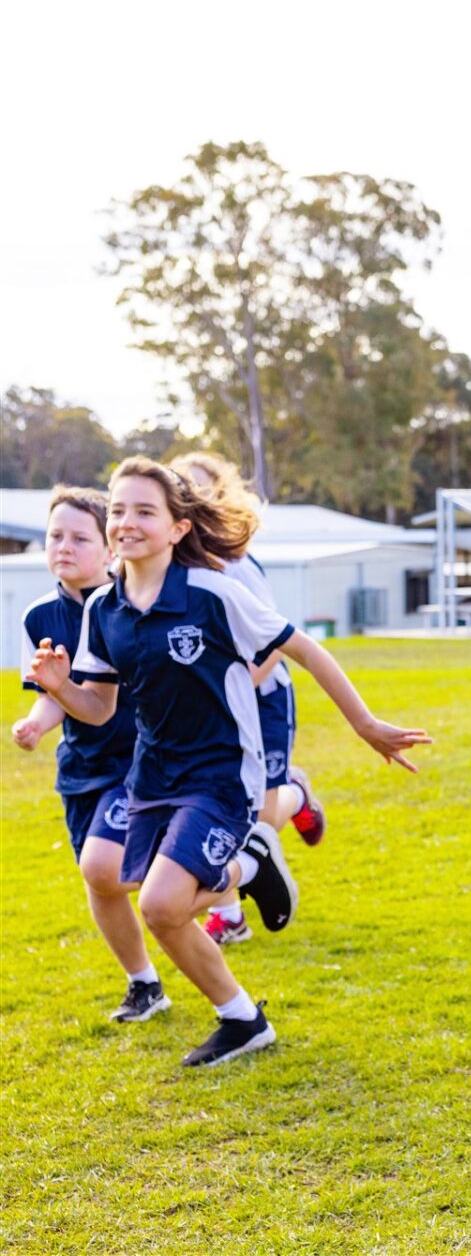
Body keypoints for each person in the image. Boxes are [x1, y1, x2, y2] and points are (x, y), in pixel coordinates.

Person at [29, 457, 430, 1066]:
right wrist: (59, 689)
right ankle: (243, 1017)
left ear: (178, 528)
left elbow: (304, 648)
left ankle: (247, 870)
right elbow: (100, 710)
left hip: (222, 776)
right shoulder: (102, 611)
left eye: (145, 511)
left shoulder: (213, 594)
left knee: (161, 903)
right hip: (153, 777)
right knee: (152, 901)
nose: (126, 522)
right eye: (117, 510)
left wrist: (365, 723)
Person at [12, 487, 166, 1023]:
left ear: (108, 549)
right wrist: (34, 725)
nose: (64, 547)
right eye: (56, 536)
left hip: (140, 764)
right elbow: (58, 696)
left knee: (108, 866)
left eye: (80, 537)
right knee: (98, 878)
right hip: (82, 769)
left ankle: (219, 878)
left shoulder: (131, 606)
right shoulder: (39, 616)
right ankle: (144, 983)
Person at [171, 452, 326, 949]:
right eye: (180, 489)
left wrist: (232, 686)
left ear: (221, 497)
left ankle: (296, 794)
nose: (190, 498)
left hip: (262, 698)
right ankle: (231, 917)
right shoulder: (172, 568)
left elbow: (276, 644)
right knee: (217, 811)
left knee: (255, 816)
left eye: (199, 489)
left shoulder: (237, 565)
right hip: (214, 709)